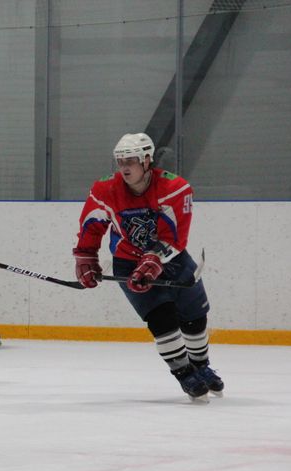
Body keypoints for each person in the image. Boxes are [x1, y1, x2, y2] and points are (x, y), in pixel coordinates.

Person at [72, 132, 224, 402]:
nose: (124, 167)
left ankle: (201, 365)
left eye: (130, 160)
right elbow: (91, 225)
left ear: (146, 160)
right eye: (120, 162)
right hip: (127, 261)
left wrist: (153, 261)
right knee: (160, 318)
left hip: (173, 259)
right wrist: (86, 257)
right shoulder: (105, 190)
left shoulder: (174, 187)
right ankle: (184, 373)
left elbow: (173, 237)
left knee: (194, 316)